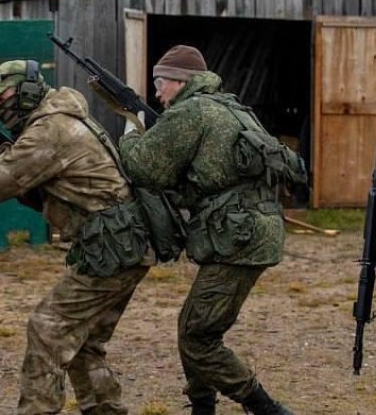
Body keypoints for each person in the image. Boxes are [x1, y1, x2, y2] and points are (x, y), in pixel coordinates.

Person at [0, 60, 152, 415]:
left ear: (27, 93)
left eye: (4, 95)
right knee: (84, 343)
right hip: (121, 244)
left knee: (47, 330)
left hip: (111, 247)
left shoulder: (51, 130)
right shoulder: (59, 118)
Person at [119, 45, 301, 415]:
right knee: (196, 324)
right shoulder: (229, 106)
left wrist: (130, 131)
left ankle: (265, 407)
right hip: (249, 229)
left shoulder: (192, 110)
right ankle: (203, 406)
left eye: (160, 82)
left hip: (236, 234)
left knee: (196, 335)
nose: (157, 92)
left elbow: (143, 168)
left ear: (181, 81)